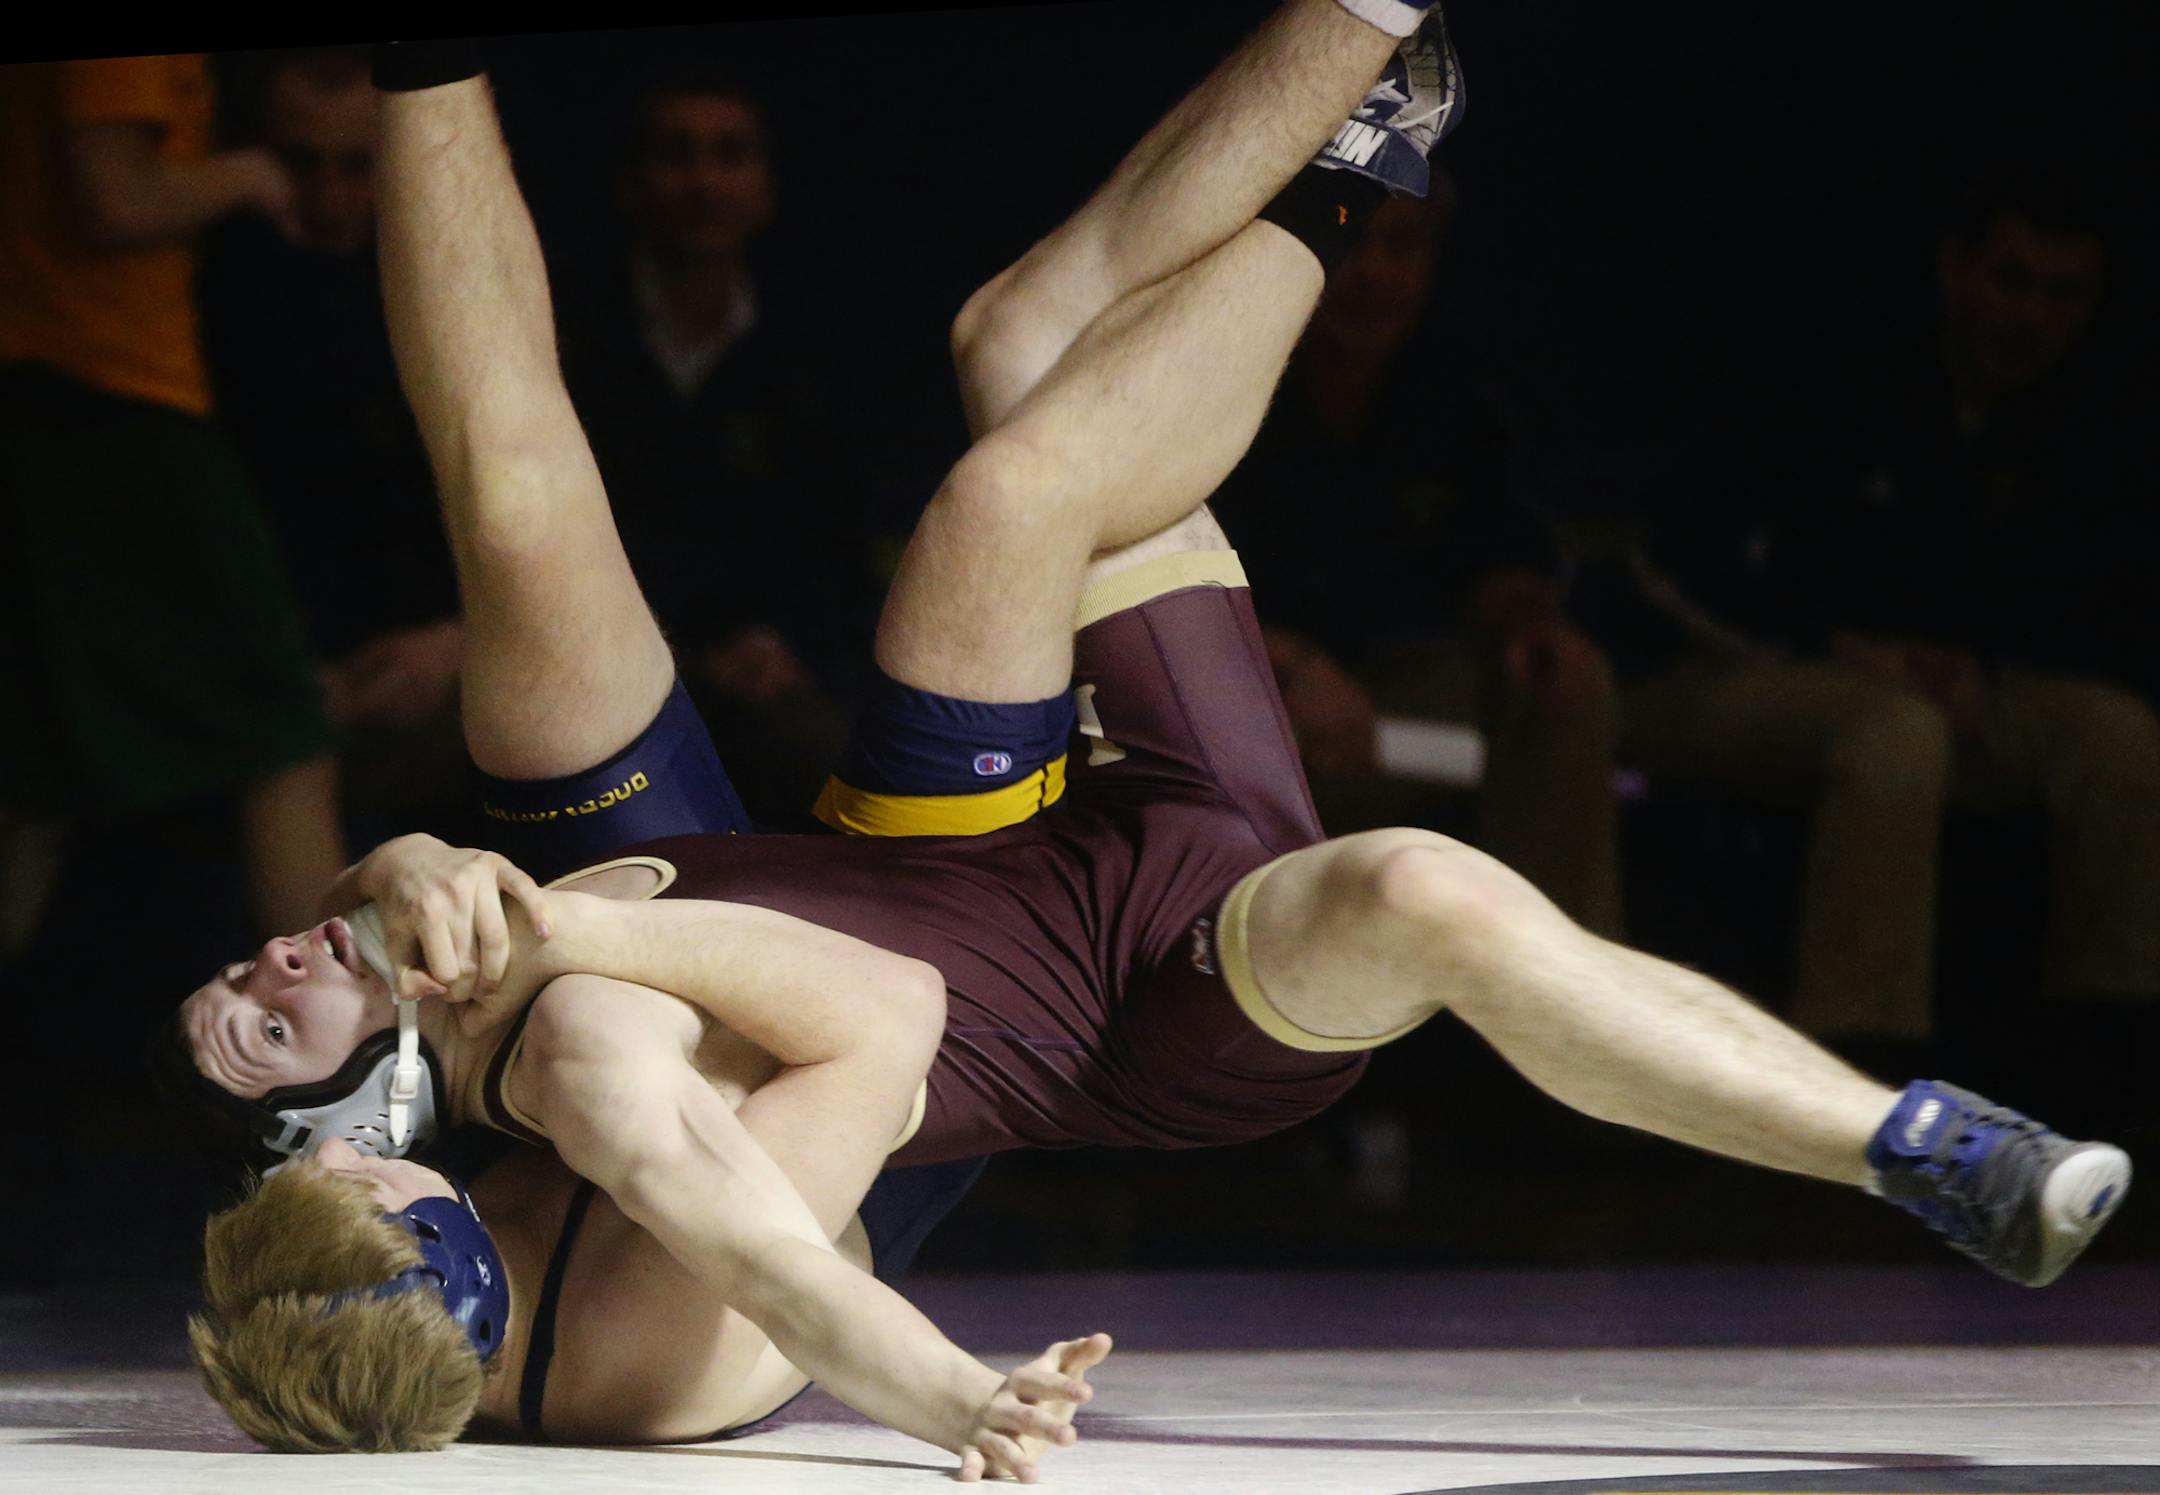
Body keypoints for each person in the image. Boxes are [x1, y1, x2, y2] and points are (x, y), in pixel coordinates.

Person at [180, 1, 2125, 1468]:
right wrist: (534, 935)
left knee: (1012, 366)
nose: (302, 1146)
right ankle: (1915, 1145)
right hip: (1089, 988)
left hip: (922, 875)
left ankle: (1376, 111)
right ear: (428, 1249)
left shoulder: (471, 1261)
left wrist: (403, 917)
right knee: (1408, 874)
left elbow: (616, 1119)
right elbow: (870, 1047)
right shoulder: (614, 1175)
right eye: (330, 1167)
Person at [1602, 158, 2160, 1043]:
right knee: (1897, 733)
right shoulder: (1839, 375)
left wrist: (1989, 665)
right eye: (2013, 281)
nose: (2032, 317)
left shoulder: (2081, 424)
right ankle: (1863, 1064)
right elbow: (1675, 555)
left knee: (2115, 737)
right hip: (1733, 667)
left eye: (2063, 294)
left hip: (1944, 691)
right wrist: (1837, 643)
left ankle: (2107, 1051)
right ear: (1956, 268)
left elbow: (2092, 602)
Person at [0, 53, 346, 938]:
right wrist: (250, 173)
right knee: (285, 729)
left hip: (69, 393)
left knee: (26, 776)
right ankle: (335, 1059)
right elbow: (112, 198)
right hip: (100, 391)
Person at [557, 61, 869, 826]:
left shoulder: (815, 350)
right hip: (585, 667)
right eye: (675, 153)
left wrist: (783, 640)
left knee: (851, 772)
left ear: (764, 185)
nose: (703, 182)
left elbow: (844, 538)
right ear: (629, 181)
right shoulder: (564, 335)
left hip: (766, 675)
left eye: (729, 155)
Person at [200, 46, 467, 848]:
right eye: (299, 163)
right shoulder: (211, 297)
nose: (329, 197)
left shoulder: (446, 303)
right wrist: (291, 681)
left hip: (436, 658)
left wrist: (454, 640)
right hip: (267, 677)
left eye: (358, 165)